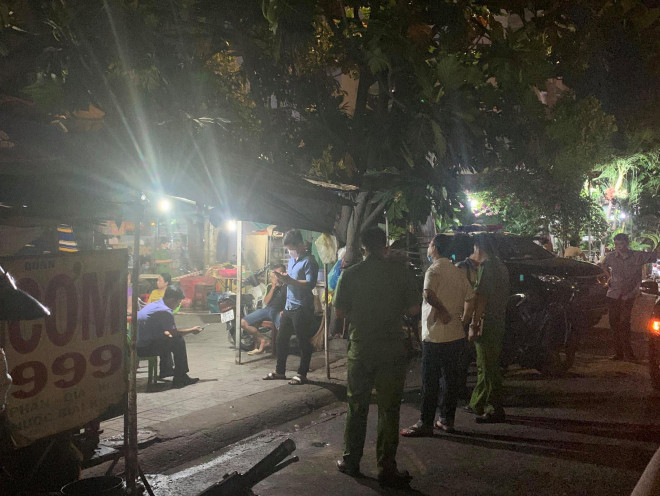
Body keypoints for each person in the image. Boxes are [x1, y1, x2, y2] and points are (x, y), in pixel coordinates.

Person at [333, 227, 420, 488]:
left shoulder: (350, 274)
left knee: (356, 405)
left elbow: (339, 312)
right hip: (391, 350)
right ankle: (386, 468)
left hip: (360, 349)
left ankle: (351, 460)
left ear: (363, 247)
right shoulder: (400, 272)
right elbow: (414, 308)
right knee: (389, 410)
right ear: (385, 246)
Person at [400, 235, 475, 437]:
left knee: (430, 381)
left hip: (434, 336)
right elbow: (471, 298)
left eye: (430, 244)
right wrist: (464, 320)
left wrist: (442, 310)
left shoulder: (433, 270)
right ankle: (446, 420)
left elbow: (428, 294)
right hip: (455, 335)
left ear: (435, 248)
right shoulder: (457, 271)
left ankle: (425, 422)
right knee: (450, 380)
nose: (428, 247)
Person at [263, 230, 319, 385]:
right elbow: (290, 281)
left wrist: (291, 281)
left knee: (303, 341)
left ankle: (302, 374)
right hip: (289, 307)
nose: (290, 252)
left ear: (300, 245)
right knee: (281, 340)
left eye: (291, 248)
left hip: (302, 307)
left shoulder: (309, 262)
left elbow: (310, 284)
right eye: (288, 249)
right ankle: (280, 372)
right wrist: (283, 279)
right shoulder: (292, 261)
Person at [466, 234, 510, 423]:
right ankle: (478, 402)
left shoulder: (487, 266)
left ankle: (494, 408)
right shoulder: (501, 265)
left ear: (478, 247)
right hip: (498, 320)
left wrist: (474, 323)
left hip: (487, 322)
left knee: (488, 367)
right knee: (485, 365)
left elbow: (481, 297)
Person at [600, 233, 658, 361]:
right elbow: (602, 265)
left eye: (621, 244)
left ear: (627, 243)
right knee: (614, 324)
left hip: (628, 295)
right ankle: (618, 353)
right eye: (616, 244)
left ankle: (628, 353)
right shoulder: (611, 256)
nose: (619, 247)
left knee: (624, 323)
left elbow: (655, 255)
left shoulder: (637, 256)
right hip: (613, 294)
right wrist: (608, 277)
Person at [137, 287, 203, 388]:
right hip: (144, 348)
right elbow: (175, 333)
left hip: (138, 344)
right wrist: (192, 330)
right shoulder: (164, 311)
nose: (178, 305)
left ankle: (166, 370)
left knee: (166, 336)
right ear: (172, 300)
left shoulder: (155, 305)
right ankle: (181, 377)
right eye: (178, 302)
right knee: (178, 341)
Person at [241, 264, 287, 355]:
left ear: (283, 273)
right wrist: (273, 287)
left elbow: (290, 301)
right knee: (243, 322)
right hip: (267, 310)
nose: (276, 277)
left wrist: (285, 311)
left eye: (278, 274)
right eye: (275, 275)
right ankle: (263, 340)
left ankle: (280, 351)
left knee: (281, 328)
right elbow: (266, 301)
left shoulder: (287, 286)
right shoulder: (270, 286)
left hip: (279, 311)